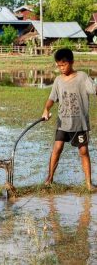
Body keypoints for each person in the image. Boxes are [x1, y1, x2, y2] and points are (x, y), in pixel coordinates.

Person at [42, 48, 96, 190]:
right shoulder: (58, 80)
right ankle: (49, 179)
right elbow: (51, 99)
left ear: (71, 62)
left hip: (79, 123)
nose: (61, 68)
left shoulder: (82, 77)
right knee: (57, 148)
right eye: (59, 65)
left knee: (83, 151)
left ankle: (89, 184)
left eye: (64, 65)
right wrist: (46, 109)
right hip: (63, 121)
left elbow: (94, 90)